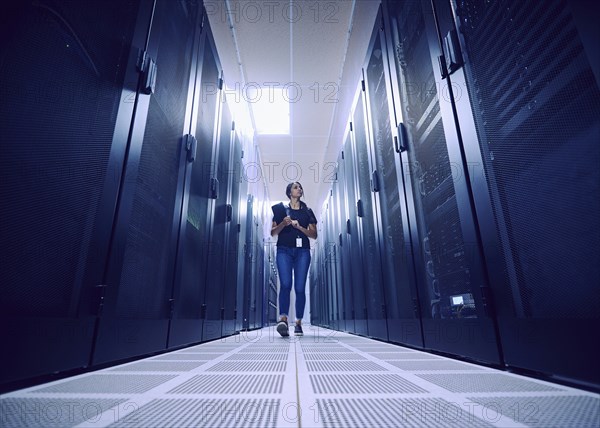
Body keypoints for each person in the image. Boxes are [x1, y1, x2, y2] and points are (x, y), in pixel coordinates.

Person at [271, 182, 318, 337]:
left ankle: (298, 322)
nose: (300, 189)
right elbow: (273, 232)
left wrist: (299, 228)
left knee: (299, 288)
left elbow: (314, 234)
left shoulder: (308, 211)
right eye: (296, 187)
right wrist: (283, 224)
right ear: (289, 192)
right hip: (283, 250)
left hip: (303, 252)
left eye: (300, 187)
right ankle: (283, 319)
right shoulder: (280, 210)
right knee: (285, 284)